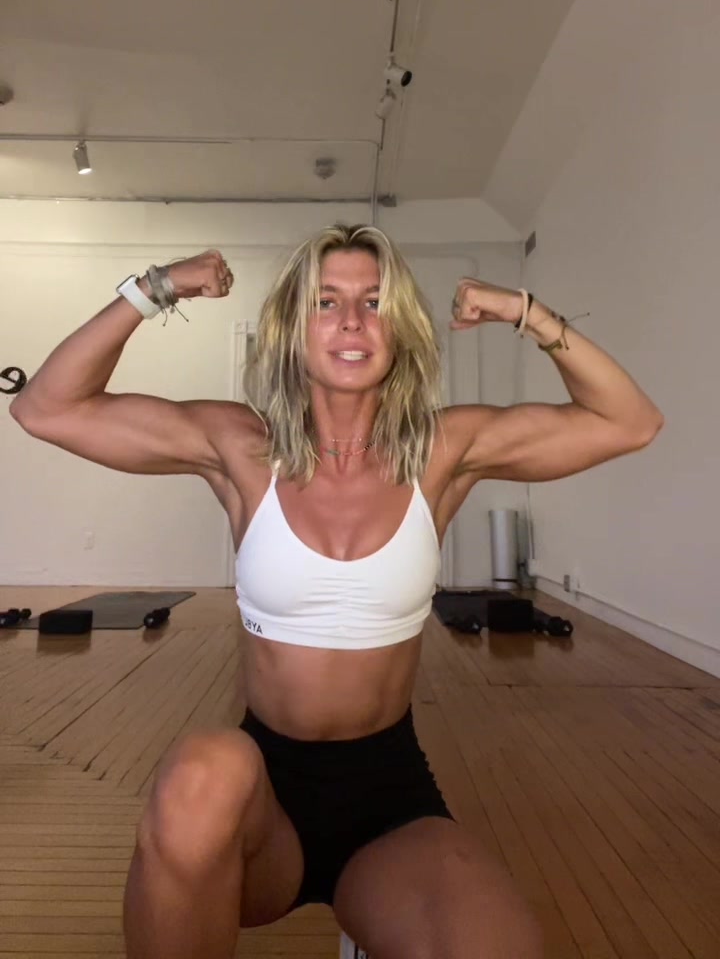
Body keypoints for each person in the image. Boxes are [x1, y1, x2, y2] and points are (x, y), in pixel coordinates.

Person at [10, 224, 664, 959]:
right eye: (326, 301)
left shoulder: (441, 451)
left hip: (388, 798)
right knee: (202, 774)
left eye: (374, 302)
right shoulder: (240, 447)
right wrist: (157, 287)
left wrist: (524, 310)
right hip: (263, 805)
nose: (352, 320)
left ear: (400, 328)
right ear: (293, 329)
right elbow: (45, 408)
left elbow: (629, 422)